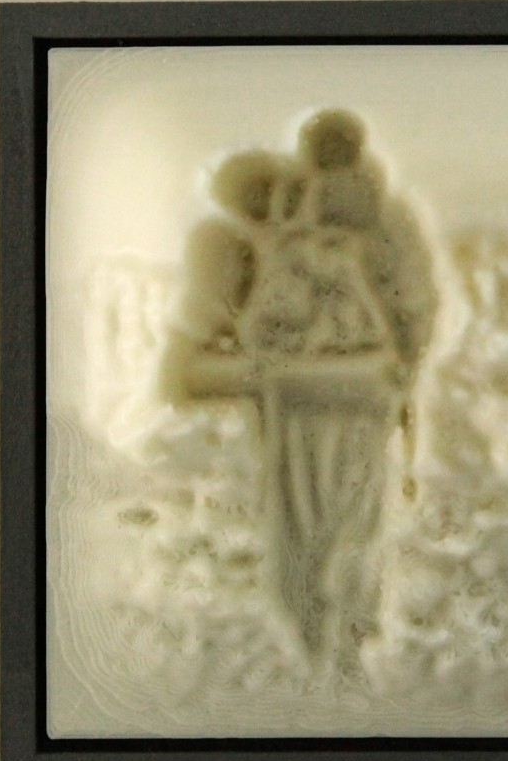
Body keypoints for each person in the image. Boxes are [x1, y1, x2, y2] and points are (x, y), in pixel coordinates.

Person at [171, 110, 436, 658]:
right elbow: (417, 302)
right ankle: (352, 627)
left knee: (299, 518)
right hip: (367, 388)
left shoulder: (292, 215)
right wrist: (405, 365)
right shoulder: (390, 217)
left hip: (295, 393)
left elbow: (268, 316)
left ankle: (309, 628)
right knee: (357, 513)